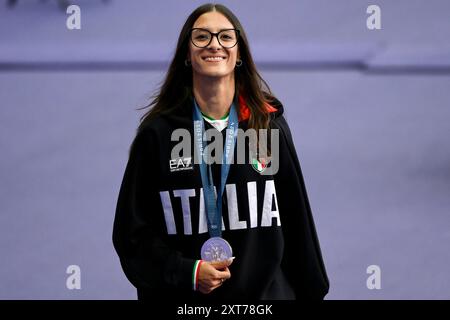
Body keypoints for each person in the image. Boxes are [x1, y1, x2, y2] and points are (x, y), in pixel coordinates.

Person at [112, 3, 329, 301]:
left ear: (239, 54)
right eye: (202, 37)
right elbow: (132, 235)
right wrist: (185, 271)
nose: (215, 44)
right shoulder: (158, 136)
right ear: (186, 55)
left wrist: (311, 291)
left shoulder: (265, 127)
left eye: (226, 37)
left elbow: (296, 219)